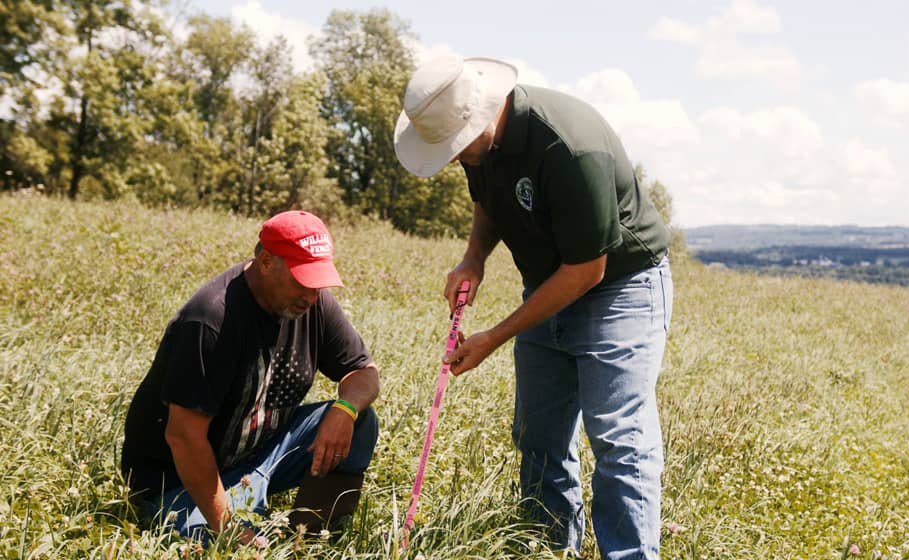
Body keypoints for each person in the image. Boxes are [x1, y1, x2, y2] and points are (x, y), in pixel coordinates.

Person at [394, 55, 673, 560]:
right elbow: (489, 200)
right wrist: (472, 260)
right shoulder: (482, 149)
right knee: (537, 432)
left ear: (479, 117)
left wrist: (492, 338)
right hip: (549, 283)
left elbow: (589, 270)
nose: (454, 160)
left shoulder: (569, 147)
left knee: (617, 438)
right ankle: (548, 548)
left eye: (456, 149)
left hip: (620, 287)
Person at [121, 210, 380, 544]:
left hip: (260, 456)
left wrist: (346, 408)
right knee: (239, 546)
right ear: (266, 261)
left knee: (360, 420)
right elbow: (184, 437)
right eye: (302, 281)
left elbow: (364, 373)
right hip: (179, 484)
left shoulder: (312, 303)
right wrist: (229, 528)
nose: (312, 296)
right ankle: (234, 524)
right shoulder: (210, 321)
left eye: (318, 283)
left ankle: (310, 541)